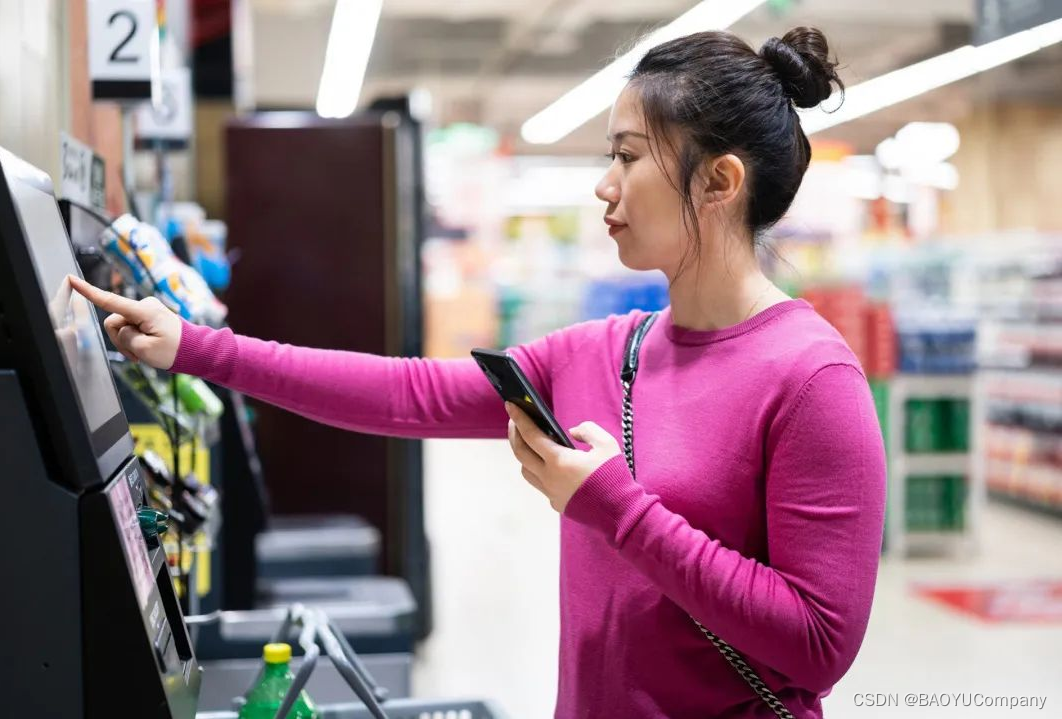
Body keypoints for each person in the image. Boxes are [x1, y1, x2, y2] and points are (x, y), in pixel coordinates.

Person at [71, 25, 885, 719]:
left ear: (720, 181)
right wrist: (195, 347)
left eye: (629, 156)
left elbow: (818, 645)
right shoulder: (608, 351)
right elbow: (402, 393)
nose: (605, 185)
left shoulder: (811, 380)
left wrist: (618, 510)